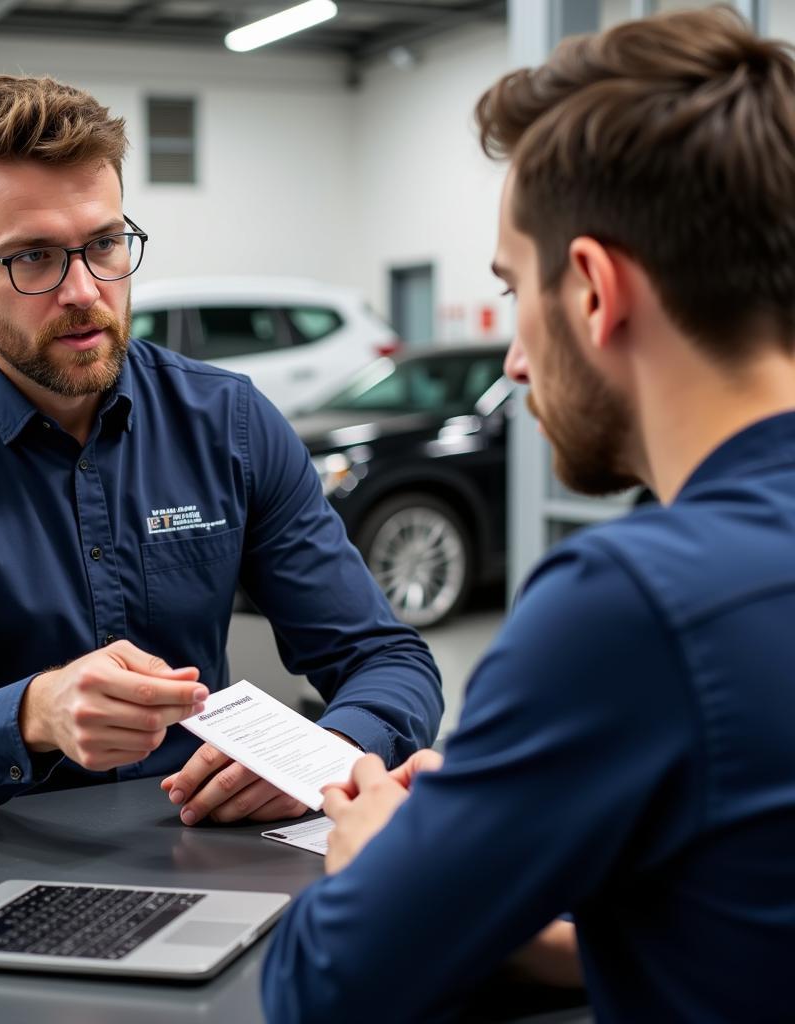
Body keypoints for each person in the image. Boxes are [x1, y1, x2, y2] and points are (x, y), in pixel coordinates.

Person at [261, 8, 795, 1022]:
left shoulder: (632, 605)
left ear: (593, 291)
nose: (513, 356)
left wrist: (373, 855)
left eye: (515, 292)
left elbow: (324, 988)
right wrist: (571, 940)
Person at [0, 74, 442, 821]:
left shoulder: (230, 423)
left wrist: (324, 760)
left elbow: (388, 661)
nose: (83, 289)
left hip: (191, 842)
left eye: (106, 244)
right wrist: (35, 713)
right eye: (33, 259)